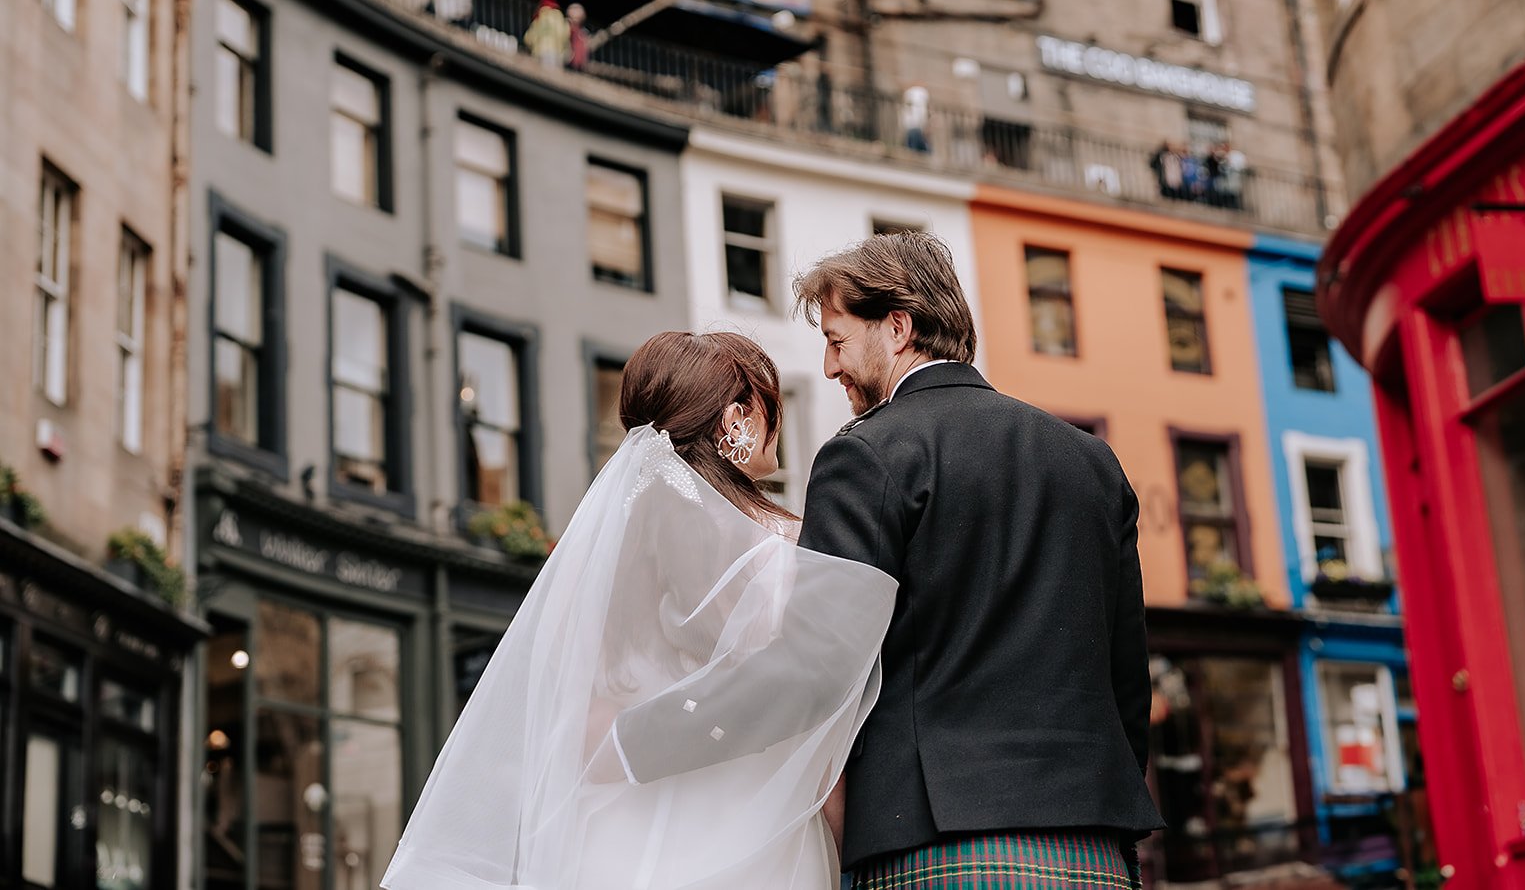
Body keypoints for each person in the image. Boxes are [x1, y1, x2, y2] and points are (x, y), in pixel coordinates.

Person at [382, 332, 894, 890]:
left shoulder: (600, 558)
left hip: (611, 840)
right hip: (754, 844)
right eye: (770, 404)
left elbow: (578, 722)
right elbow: (815, 724)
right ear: (737, 416)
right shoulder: (791, 550)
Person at [792, 231, 1164, 889]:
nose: (829, 366)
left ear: (898, 327)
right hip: (1093, 849)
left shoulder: (866, 455)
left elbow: (821, 674)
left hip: (933, 842)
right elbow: (1127, 676)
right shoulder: (1092, 463)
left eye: (837, 339)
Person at [524, 0, 570, 68]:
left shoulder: (539, 17)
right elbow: (563, 33)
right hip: (555, 51)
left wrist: (531, 46)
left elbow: (529, 38)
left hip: (538, 51)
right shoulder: (558, 16)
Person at [565, 2, 590, 69]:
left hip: (578, 64)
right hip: (568, 62)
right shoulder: (566, 29)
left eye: (577, 18)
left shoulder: (583, 33)